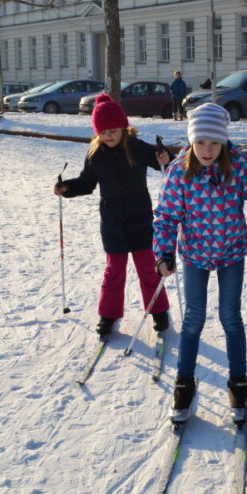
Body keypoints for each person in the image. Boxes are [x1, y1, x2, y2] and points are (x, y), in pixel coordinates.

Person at [152, 102, 247, 423]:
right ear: (191, 141)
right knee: (193, 320)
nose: (208, 150)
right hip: (195, 256)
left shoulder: (240, 167)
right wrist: (164, 253)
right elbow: (167, 217)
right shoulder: (179, 171)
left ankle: (238, 382)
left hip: (230, 253)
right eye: (201, 142)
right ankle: (184, 382)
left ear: (224, 142)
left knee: (230, 317)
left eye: (214, 143)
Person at [55, 93, 172, 341]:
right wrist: (67, 189)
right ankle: (108, 315)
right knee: (114, 272)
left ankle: (159, 311)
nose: (108, 136)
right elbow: (87, 183)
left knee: (148, 270)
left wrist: (165, 157)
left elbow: (160, 162)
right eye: (103, 131)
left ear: (123, 127)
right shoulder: (95, 154)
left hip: (140, 219)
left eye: (113, 130)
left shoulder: (136, 147)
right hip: (112, 222)